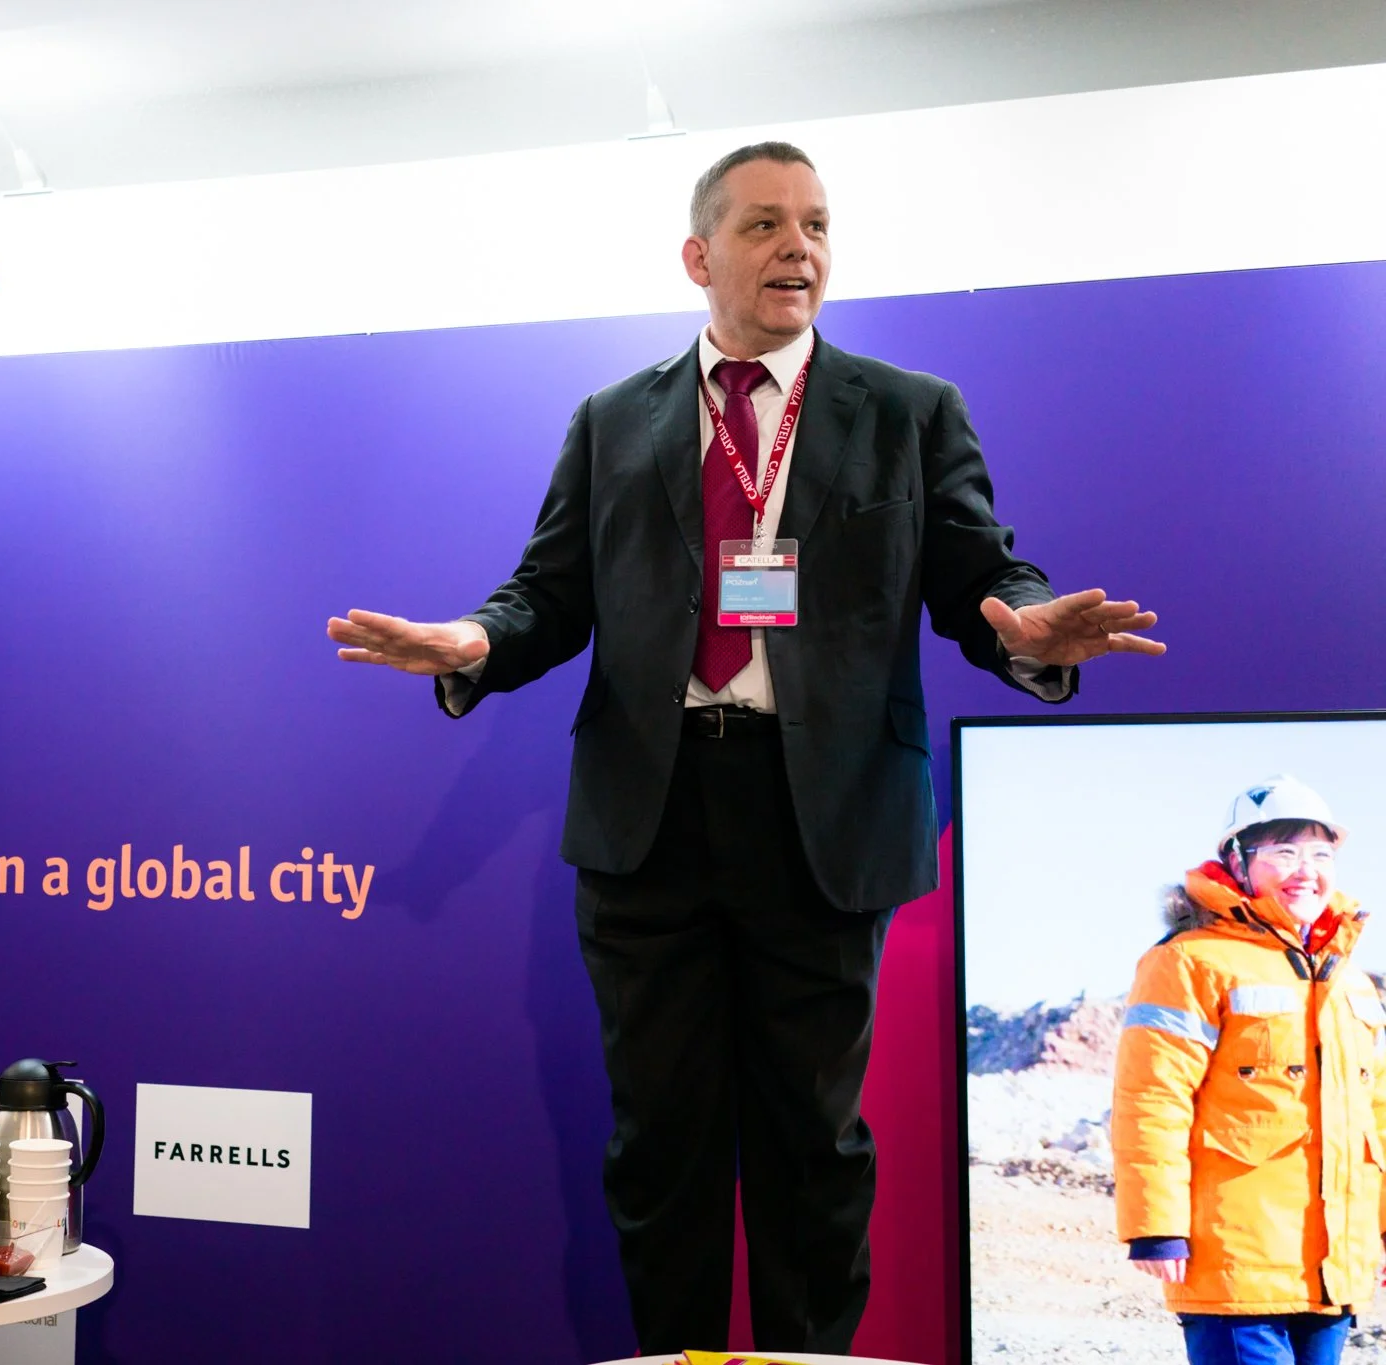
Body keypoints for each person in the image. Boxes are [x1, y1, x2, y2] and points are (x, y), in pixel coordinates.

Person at [328, 141, 1164, 1353]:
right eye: (764, 224)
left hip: (821, 816)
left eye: (815, 225)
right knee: (657, 1149)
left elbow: (980, 575)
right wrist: (473, 640)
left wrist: (1026, 628)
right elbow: (547, 593)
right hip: (650, 815)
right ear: (697, 256)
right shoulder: (613, 420)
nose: (798, 248)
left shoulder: (907, 411)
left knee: (809, 1150)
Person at [1115, 777, 1380, 1365]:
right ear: (1237, 861)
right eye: (1283, 852)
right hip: (1234, 1262)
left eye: (1321, 854)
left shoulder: (1350, 980)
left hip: (1334, 1266)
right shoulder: (1187, 962)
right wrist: (1155, 1226)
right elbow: (1152, 1099)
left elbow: (1377, 1118)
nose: (1305, 870)